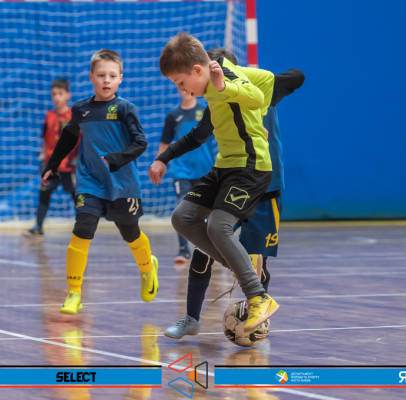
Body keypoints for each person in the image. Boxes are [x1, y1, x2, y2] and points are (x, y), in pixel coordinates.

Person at [163, 47, 305, 339]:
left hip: (265, 183)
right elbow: (198, 135)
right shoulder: (215, 101)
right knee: (205, 247)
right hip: (233, 179)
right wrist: (164, 158)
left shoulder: (254, 90)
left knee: (258, 258)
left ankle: (258, 316)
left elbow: (297, 76)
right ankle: (192, 317)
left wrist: (252, 81)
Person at [42, 49, 159, 314]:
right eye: (101, 75)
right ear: (91, 77)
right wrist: (52, 164)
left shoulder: (125, 108)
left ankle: (147, 267)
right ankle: (74, 292)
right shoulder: (81, 109)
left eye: (112, 76)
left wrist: (117, 159)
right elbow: (69, 137)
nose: (107, 80)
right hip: (90, 181)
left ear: (120, 79)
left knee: (130, 233)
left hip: (123, 184)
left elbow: (140, 143)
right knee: (82, 230)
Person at [158, 90, 216, 264]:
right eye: (181, 84)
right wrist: (159, 162)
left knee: (208, 211)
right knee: (181, 209)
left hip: (205, 170)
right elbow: (165, 143)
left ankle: (209, 248)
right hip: (181, 171)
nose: (186, 89)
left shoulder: (207, 110)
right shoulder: (173, 116)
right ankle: (184, 250)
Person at [24, 79, 77, 238]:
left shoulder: (73, 116)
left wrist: (79, 159)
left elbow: (80, 140)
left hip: (69, 166)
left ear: (68, 95)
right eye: (54, 94)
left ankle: (84, 226)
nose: (57, 97)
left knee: (77, 196)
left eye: (60, 93)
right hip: (51, 166)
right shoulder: (49, 116)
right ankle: (38, 227)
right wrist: (43, 157)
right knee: (44, 194)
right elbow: (46, 139)